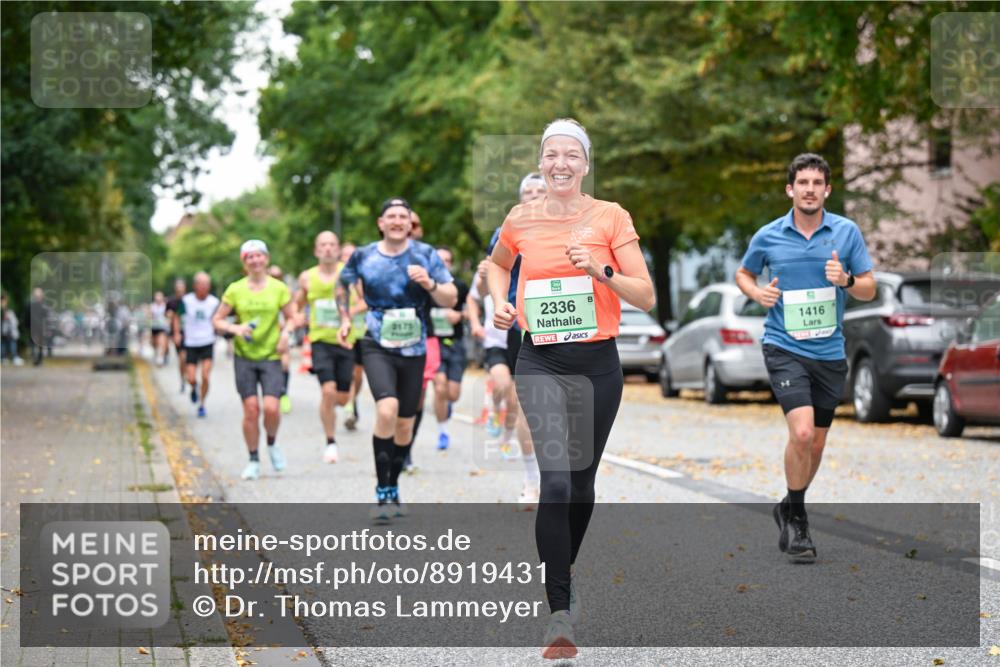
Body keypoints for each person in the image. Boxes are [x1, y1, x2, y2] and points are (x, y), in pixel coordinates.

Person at [488, 119, 654, 659]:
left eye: (571, 155)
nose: (561, 163)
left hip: (597, 365)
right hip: (539, 359)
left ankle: (564, 570)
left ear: (585, 164)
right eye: (551, 154)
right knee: (555, 483)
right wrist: (500, 301)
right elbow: (496, 266)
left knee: (581, 487)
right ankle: (558, 611)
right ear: (541, 162)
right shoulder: (520, 217)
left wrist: (602, 269)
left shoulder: (611, 216)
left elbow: (646, 296)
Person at [735, 153, 876, 563]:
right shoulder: (769, 235)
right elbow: (744, 273)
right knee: (800, 433)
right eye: (803, 183)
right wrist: (756, 292)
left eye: (818, 183)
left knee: (815, 443)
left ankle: (787, 504)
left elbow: (869, 286)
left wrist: (846, 280)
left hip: (829, 352)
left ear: (827, 190)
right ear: (790, 189)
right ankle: (798, 520)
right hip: (784, 346)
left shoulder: (846, 233)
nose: (810, 189)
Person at [337, 198, 457, 522]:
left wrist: (429, 284)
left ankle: (394, 483)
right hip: (376, 341)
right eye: (390, 215)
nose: (397, 221)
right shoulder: (363, 255)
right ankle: (381, 490)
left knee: (405, 423)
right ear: (381, 222)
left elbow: (451, 296)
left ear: (409, 223)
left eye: (403, 216)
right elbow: (342, 284)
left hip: (414, 347)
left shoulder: (425, 254)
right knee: (386, 409)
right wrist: (346, 318)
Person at [469, 172, 547, 504]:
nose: (533, 194)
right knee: (524, 405)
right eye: (527, 191)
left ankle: (569, 481)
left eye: (539, 189)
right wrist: (495, 297)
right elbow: (487, 283)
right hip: (522, 326)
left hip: (572, 328)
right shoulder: (506, 232)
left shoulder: (579, 224)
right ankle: (532, 480)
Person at [212, 241, 297, 481]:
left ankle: (271, 443)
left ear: (266, 259)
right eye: (250, 257)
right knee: (251, 410)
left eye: (259, 256)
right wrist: (234, 327)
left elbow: (293, 318)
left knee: (271, 408)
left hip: (271, 356)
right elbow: (217, 320)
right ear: (244, 262)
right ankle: (253, 459)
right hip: (244, 357)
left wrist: (285, 334)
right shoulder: (235, 289)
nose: (255, 260)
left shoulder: (279, 288)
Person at [294, 231, 355, 463]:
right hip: (320, 340)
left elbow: (362, 300)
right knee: (327, 391)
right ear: (316, 250)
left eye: (332, 244)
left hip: (346, 339)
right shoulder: (307, 277)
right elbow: (299, 302)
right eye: (323, 245)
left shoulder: (348, 273)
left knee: (341, 397)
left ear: (338, 249)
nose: (328, 248)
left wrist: (350, 316)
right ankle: (330, 442)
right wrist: (298, 315)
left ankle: (340, 408)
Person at [429, 246, 469, 451]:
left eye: (447, 260)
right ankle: (442, 431)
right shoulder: (425, 286)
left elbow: (472, 310)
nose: (443, 263)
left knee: (452, 394)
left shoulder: (460, 286)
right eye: (439, 259)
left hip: (455, 344)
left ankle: (447, 406)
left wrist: (460, 316)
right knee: (440, 387)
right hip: (434, 344)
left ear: (451, 264)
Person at [173, 272, 220, 418]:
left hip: (207, 342)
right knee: (191, 378)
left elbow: (218, 318)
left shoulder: (214, 302)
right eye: (202, 283)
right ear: (195, 285)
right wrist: (176, 333)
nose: (205, 286)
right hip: (191, 343)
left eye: (207, 284)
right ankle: (194, 387)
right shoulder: (186, 301)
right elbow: (176, 316)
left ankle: (202, 404)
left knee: (205, 376)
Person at [340, 242, 368, 431]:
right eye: (345, 255)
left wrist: (349, 311)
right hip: (343, 333)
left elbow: (368, 301)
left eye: (352, 254)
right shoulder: (338, 279)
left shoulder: (362, 277)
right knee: (347, 374)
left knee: (358, 376)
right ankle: (349, 406)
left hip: (361, 333)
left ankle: (352, 400)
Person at [268, 265, 294, 414]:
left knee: (284, 363)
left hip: (283, 332)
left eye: (278, 276)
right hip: (267, 334)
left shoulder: (285, 291)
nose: (275, 278)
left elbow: (292, 312)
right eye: (273, 275)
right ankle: (272, 393)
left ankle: (283, 393)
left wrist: (287, 325)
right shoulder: (263, 289)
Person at [165, 279, 187, 391]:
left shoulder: (189, 300)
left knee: (189, 358)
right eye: (178, 288)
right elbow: (167, 315)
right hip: (177, 333)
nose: (180, 290)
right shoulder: (171, 302)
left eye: (182, 287)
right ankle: (182, 379)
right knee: (182, 358)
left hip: (190, 334)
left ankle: (189, 377)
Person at [28, 287, 49, 366]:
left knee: (36, 345)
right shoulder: (43, 305)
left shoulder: (31, 304)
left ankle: (37, 359)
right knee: (37, 345)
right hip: (37, 328)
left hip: (37, 328)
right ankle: (37, 360)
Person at [1, 294, 23, 365]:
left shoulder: (5, 308)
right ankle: (12, 357)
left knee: (5, 343)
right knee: (9, 343)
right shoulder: (3, 308)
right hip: (6, 330)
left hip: (7, 329)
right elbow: (5, 318)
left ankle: (5, 358)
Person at [150, 292, 169, 366]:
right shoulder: (152, 306)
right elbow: (149, 316)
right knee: (155, 343)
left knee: (162, 341)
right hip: (154, 327)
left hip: (163, 327)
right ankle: (158, 353)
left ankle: (160, 357)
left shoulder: (165, 306)